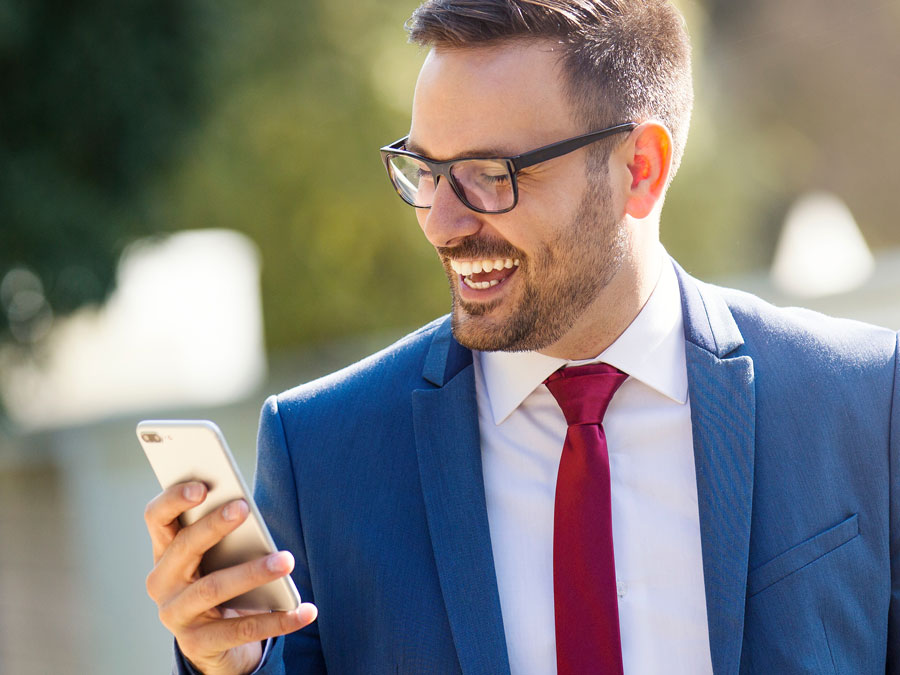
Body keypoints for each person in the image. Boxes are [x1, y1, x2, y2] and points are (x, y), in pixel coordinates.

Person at [143, 1, 900, 673]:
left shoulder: (866, 400)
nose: (441, 221)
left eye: (489, 173)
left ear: (641, 168)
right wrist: (230, 666)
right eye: (425, 170)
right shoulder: (322, 452)